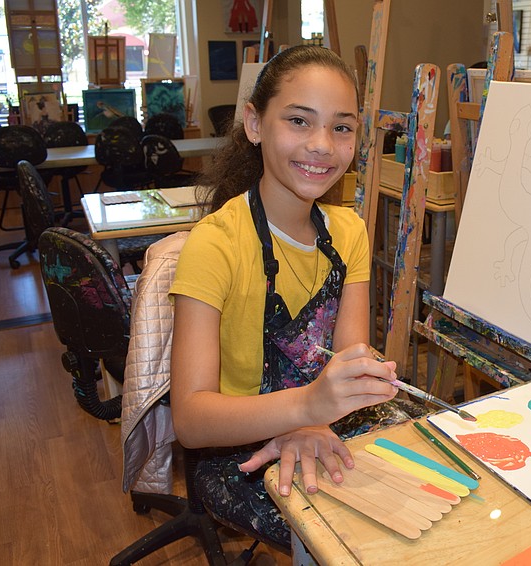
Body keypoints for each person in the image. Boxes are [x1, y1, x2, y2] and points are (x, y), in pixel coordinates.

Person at [168, 45, 424, 551]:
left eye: (342, 127)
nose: (323, 145)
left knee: (427, 491)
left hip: (327, 420)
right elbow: (191, 420)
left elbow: (351, 355)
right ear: (255, 124)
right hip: (238, 449)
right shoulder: (215, 245)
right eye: (299, 121)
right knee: (354, 540)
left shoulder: (348, 231)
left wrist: (334, 402)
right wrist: (307, 406)